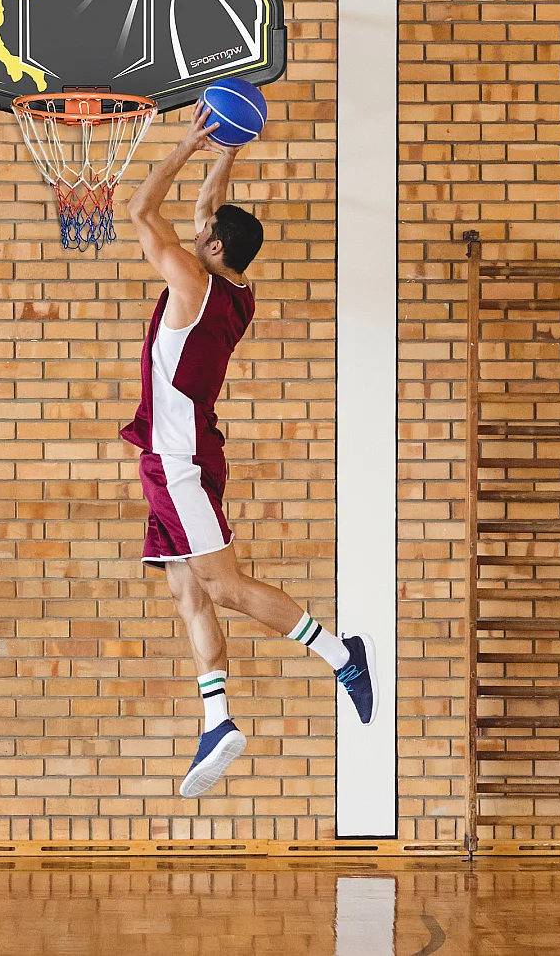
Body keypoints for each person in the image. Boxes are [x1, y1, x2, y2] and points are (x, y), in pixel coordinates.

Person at [120, 101, 377, 799]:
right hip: (176, 456)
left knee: (224, 586)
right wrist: (226, 149)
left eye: (203, 231)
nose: (197, 226)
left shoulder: (193, 281)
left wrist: (182, 144)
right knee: (186, 588)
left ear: (210, 248)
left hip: (178, 460)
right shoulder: (234, 288)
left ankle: (340, 653)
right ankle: (216, 719)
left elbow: (142, 211)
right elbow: (211, 207)